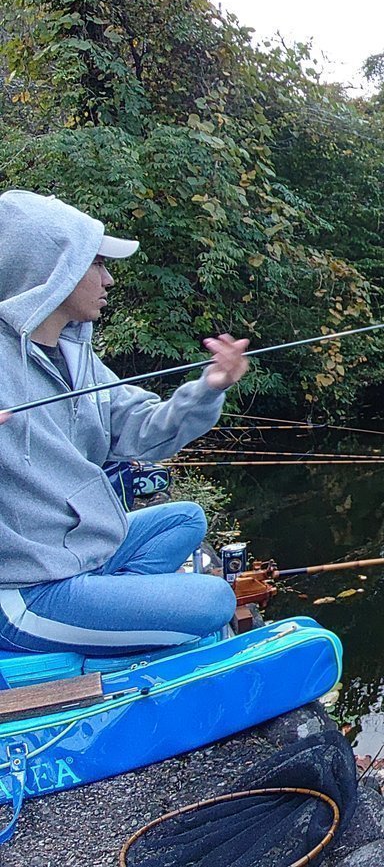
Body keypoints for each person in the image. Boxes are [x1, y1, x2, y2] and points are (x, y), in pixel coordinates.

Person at [0, 190, 249, 656]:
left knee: (185, 518)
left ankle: (106, 611)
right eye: (95, 263)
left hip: (74, 555)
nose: (108, 279)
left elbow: (145, 430)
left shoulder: (78, 356)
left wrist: (210, 386)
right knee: (215, 600)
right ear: (54, 268)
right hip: (24, 589)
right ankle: (97, 619)